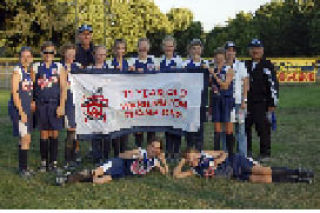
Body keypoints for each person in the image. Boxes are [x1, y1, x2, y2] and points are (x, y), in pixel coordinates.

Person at [173, 148, 314, 184]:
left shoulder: (205, 154)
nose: (193, 159)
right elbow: (177, 175)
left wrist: (218, 160)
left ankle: (299, 172)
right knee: (262, 179)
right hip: (234, 174)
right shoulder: (195, 170)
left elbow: (224, 153)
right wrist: (182, 162)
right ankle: (297, 179)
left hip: (236, 162)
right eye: (189, 159)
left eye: (192, 156)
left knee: (264, 171)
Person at [57, 139, 169, 185]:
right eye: (153, 146)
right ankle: (67, 178)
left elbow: (165, 173)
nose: (154, 150)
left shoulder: (154, 161)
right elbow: (121, 155)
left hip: (123, 173)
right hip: (119, 163)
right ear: (148, 146)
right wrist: (133, 155)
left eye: (157, 148)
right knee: (97, 172)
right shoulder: (141, 152)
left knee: (99, 181)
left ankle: (73, 178)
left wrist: (163, 162)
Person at [33, 41, 67, 171]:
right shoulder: (36, 67)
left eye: (51, 52)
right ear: (41, 53)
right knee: (43, 133)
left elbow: (63, 88)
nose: (48, 55)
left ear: (55, 53)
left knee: (54, 133)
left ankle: (53, 162)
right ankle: (43, 162)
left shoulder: (59, 67)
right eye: (46, 52)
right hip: (41, 103)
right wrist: (32, 101)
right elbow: (32, 86)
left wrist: (61, 105)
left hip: (54, 103)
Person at [245, 39, 279, 161]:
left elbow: (273, 85)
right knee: (245, 127)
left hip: (262, 102)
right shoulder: (245, 65)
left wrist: (272, 103)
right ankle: (246, 151)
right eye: (253, 48)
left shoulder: (268, 65)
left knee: (263, 128)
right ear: (249, 51)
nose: (255, 51)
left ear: (262, 50)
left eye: (258, 49)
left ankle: (265, 153)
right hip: (247, 102)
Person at [8, 47, 35, 177]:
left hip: (27, 108)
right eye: (23, 56)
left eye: (28, 56)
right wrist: (21, 112)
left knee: (25, 138)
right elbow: (15, 92)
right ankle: (23, 169)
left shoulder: (28, 71)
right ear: (20, 57)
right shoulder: (17, 70)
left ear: (31, 58)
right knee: (26, 138)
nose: (26, 59)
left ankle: (23, 166)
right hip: (19, 109)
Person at [128, 38, 159, 148]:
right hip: (137, 98)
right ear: (137, 48)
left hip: (151, 97)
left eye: (145, 46)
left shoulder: (154, 60)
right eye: (141, 46)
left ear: (148, 48)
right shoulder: (132, 61)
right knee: (139, 125)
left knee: (151, 125)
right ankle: (139, 148)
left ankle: (151, 149)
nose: (143, 49)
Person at [159, 35, 183, 162]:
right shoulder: (160, 61)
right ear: (163, 47)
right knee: (168, 125)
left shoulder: (179, 61)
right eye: (166, 46)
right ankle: (168, 151)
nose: (168, 48)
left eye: (171, 46)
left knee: (177, 125)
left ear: (174, 47)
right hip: (165, 98)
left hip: (177, 97)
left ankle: (176, 151)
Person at [87, 45, 113, 164]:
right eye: (99, 54)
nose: (101, 57)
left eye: (103, 54)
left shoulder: (111, 68)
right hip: (93, 104)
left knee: (106, 131)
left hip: (107, 104)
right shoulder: (88, 69)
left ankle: (106, 155)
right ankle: (96, 156)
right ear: (94, 54)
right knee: (95, 130)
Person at [182, 39, 208, 151]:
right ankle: (189, 147)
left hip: (201, 98)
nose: (196, 50)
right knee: (189, 123)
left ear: (202, 49)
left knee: (200, 124)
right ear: (189, 50)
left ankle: (199, 147)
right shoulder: (184, 64)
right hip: (189, 99)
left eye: (198, 48)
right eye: (194, 48)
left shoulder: (206, 64)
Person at [209, 47, 235, 156]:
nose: (218, 60)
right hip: (216, 100)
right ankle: (216, 153)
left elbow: (225, 86)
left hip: (226, 101)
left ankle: (231, 153)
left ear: (225, 58)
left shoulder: (229, 70)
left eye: (221, 58)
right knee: (217, 129)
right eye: (217, 58)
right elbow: (211, 86)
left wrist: (214, 75)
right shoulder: (213, 70)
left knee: (228, 128)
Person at [224, 41, 249, 157]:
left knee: (241, 129)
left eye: (233, 50)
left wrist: (245, 100)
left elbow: (245, 82)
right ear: (225, 52)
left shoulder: (240, 65)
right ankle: (226, 154)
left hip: (239, 102)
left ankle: (242, 154)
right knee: (227, 130)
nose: (230, 53)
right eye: (228, 50)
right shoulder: (222, 65)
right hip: (226, 102)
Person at [106, 39, 129, 157]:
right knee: (114, 125)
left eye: (122, 48)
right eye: (118, 48)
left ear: (125, 50)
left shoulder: (129, 63)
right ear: (114, 50)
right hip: (113, 98)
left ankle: (123, 151)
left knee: (124, 124)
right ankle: (115, 152)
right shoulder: (109, 63)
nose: (120, 51)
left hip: (125, 98)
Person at [60, 43, 82, 167]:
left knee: (77, 129)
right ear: (64, 53)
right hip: (67, 100)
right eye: (69, 54)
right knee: (70, 129)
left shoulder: (78, 66)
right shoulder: (59, 67)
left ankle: (76, 154)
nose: (71, 56)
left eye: (73, 54)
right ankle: (68, 158)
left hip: (77, 100)